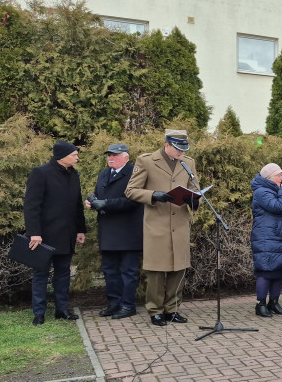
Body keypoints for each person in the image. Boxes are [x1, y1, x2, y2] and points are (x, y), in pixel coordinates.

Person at [124, 129, 197, 326]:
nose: (181, 152)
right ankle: (155, 310)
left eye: (184, 149)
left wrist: (194, 199)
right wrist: (153, 195)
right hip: (157, 224)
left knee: (179, 269)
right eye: (178, 149)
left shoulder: (188, 163)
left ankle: (172, 309)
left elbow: (193, 187)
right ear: (167, 145)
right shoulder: (147, 161)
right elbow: (130, 190)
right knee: (156, 271)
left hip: (180, 224)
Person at [24, 140, 87, 325]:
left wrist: (80, 229)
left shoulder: (74, 175)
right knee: (41, 273)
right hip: (43, 236)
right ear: (62, 156)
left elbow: (77, 205)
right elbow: (31, 205)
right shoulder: (41, 173)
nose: (77, 157)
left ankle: (62, 310)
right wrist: (34, 232)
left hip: (67, 234)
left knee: (63, 273)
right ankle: (39, 313)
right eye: (74, 155)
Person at [86, 143, 143, 320]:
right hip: (108, 230)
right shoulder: (104, 173)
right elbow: (99, 195)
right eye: (109, 155)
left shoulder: (135, 173)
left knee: (128, 271)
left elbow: (134, 200)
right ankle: (114, 303)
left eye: (115, 155)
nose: (111, 158)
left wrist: (106, 204)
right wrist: (93, 202)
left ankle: (128, 305)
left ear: (126, 157)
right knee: (109, 270)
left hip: (128, 231)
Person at [250, 163, 282, 318]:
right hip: (266, 237)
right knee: (266, 271)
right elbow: (277, 207)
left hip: (280, 236)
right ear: (270, 178)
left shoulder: (277, 191)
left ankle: (274, 303)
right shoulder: (261, 192)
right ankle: (261, 304)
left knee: (279, 270)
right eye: (279, 175)